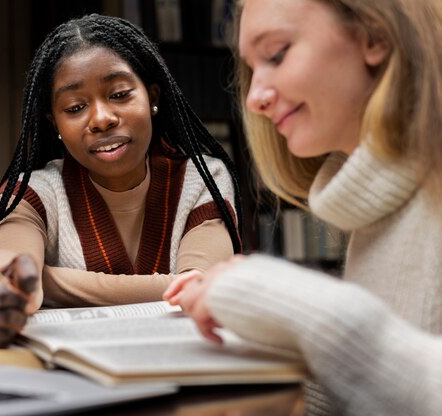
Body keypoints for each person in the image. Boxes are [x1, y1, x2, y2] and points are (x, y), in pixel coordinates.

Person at [164, 0, 442, 415]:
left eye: (276, 54)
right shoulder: (375, 213)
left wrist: (295, 302)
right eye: (252, 68)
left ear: (375, 36)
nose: (255, 98)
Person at [0, 14, 244, 351]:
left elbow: (198, 288)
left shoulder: (203, 178)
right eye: (76, 107)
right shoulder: (31, 191)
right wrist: (6, 284)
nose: (102, 119)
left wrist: (47, 281)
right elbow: (12, 269)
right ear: (55, 123)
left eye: (120, 94)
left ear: (152, 97)